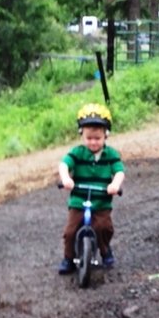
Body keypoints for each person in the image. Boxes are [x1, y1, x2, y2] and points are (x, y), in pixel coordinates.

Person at [58, 103, 125, 274]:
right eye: (89, 138)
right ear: (82, 136)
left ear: (106, 135)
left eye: (97, 138)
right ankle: (68, 258)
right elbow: (64, 164)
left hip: (101, 200)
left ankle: (104, 249)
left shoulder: (111, 154)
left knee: (104, 228)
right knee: (70, 231)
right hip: (79, 199)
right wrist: (66, 178)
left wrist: (115, 185)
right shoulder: (78, 152)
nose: (93, 142)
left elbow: (119, 171)